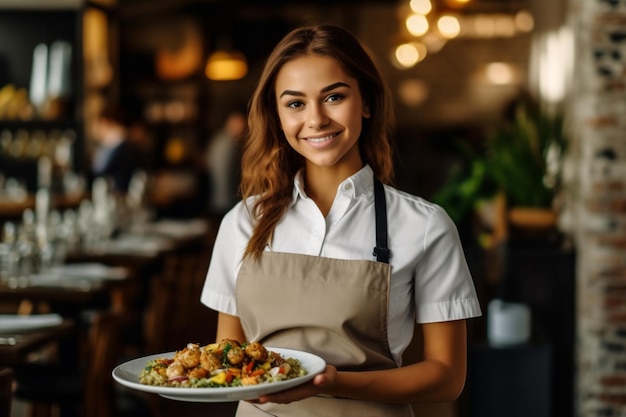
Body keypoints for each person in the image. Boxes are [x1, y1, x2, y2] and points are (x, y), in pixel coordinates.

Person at [200, 24, 482, 416]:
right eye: (295, 103)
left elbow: (447, 376)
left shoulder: (426, 226)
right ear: (277, 116)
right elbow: (226, 355)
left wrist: (336, 383)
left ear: (366, 102)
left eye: (333, 96)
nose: (315, 119)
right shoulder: (243, 222)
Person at [90, 107, 147, 194]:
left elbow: (98, 170)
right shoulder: (127, 143)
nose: (96, 129)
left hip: (117, 197)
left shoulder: (115, 144)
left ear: (105, 122)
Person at [205, 109, 247, 217]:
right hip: (229, 202)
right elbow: (230, 176)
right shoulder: (231, 144)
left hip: (215, 200)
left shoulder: (217, 140)